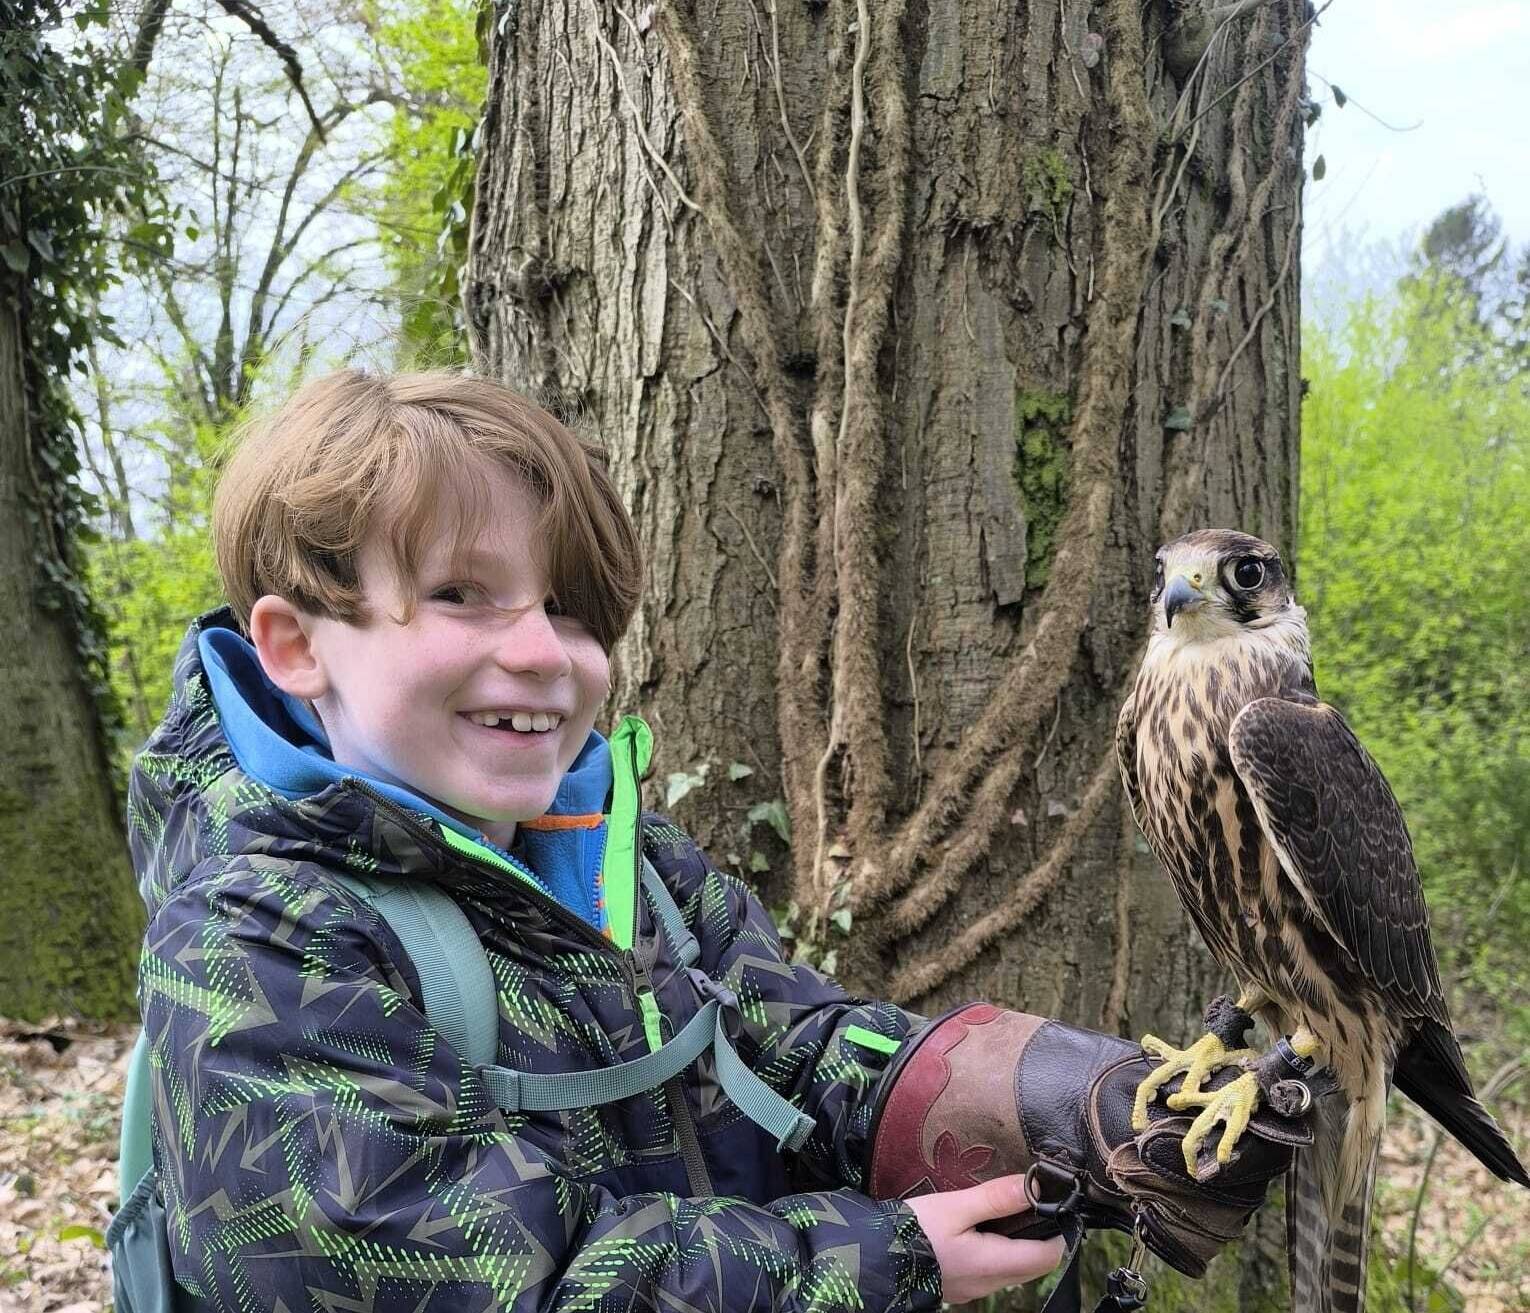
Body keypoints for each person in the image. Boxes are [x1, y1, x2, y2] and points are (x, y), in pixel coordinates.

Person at [125, 370, 1303, 1313]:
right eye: (460, 595)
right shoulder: (251, 939)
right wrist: (880, 1261)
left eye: (569, 608)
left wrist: (1065, 1101)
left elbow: (782, 1040)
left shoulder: (626, 861)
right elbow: (474, 1281)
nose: (539, 653)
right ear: (296, 645)